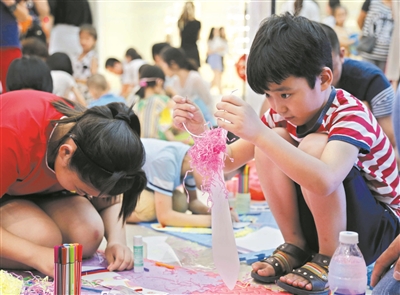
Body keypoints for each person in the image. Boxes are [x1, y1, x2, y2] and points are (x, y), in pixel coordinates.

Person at [172, 13, 400, 294]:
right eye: (268, 95)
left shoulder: (349, 112)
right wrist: (199, 132)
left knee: (309, 145)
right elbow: (224, 165)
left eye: (285, 94)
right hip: (333, 216)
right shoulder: (281, 116)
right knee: (271, 142)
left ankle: (329, 257)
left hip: (379, 228)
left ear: (324, 78)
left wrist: (260, 134)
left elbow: (326, 180)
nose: (277, 106)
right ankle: (296, 245)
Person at [0, 89, 147, 277]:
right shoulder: (11, 135)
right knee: (43, 239)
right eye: (82, 190)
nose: (90, 199)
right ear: (65, 153)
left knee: (88, 235)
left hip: (29, 190)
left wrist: (116, 241)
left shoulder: (91, 134)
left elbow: (111, 199)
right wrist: (35, 255)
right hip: (9, 187)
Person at [127, 138, 239, 227]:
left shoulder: (191, 162)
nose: (220, 185)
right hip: (120, 185)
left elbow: (193, 202)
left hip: (138, 185)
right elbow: (164, 216)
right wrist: (212, 221)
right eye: (219, 177)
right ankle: (114, 214)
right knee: (149, 207)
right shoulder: (167, 161)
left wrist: (217, 214)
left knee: (180, 203)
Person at [319, 24, 396, 151]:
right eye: (315, 75)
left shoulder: (374, 81)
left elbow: (391, 140)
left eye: (331, 69)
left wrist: (362, 116)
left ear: (342, 55)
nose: (325, 80)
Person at [159, 46, 215, 126]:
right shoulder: (175, 81)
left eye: (163, 65)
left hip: (205, 122)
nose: (163, 68)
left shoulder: (194, 78)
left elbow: (208, 102)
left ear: (173, 64)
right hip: (190, 123)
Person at [133, 65, 175, 141]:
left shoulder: (135, 100)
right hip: (157, 142)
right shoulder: (161, 99)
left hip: (139, 143)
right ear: (160, 82)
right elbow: (181, 107)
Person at [0, 0, 30, 93]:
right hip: (9, 45)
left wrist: (10, 3)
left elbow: (24, 16)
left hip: (8, 46)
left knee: (12, 88)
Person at [357, 0, 394, 72]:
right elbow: (360, 20)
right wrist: (367, 33)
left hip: (386, 56)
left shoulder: (396, 6)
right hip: (369, 53)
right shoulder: (370, 2)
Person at [73, 24, 98, 100]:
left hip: (86, 93)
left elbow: (93, 78)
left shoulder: (93, 57)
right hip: (76, 92)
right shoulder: (76, 56)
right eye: (81, 38)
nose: (83, 41)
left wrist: (77, 80)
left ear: (94, 41)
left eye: (87, 39)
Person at [178, 1, 201, 68]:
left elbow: (180, 35)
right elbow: (198, 37)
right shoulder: (196, 23)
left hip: (186, 48)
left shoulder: (181, 22)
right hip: (189, 49)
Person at [206, 27, 229, 95]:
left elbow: (224, 49)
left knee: (218, 75)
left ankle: (208, 89)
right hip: (214, 58)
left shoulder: (220, 39)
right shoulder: (211, 40)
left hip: (218, 58)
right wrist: (217, 50)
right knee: (217, 74)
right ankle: (220, 91)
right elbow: (209, 51)